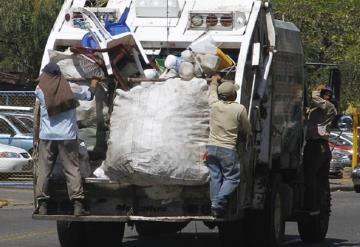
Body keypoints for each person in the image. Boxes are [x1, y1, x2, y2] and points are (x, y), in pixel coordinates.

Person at [34, 62, 98, 216]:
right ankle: (77, 205)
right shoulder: (70, 88)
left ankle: (42, 205)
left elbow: (42, 88)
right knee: (71, 169)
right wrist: (94, 84)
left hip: (47, 137)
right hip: (67, 136)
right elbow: (89, 95)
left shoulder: (39, 90)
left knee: (44, 170)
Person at [206, 75, 251, 217]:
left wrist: (214, 81)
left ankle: (215, 205)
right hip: (227, 149)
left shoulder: (214, 104)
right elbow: (247, 129)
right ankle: (218, 202)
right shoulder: (239, 109)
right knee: (232, 178)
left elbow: (212, 92)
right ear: (233, 95)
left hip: (211, 148)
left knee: (215, 177)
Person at [303, 85, 337, 211]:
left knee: (311, 175)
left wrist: (317, 88)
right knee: (320, 179)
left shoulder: (327, 106)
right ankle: (319, 203)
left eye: (327, 94)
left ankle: (312, 204)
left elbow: (313, 97)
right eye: (324, 93)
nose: (326, 96)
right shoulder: (318, 109)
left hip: (317, 146)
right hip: (320, 146)